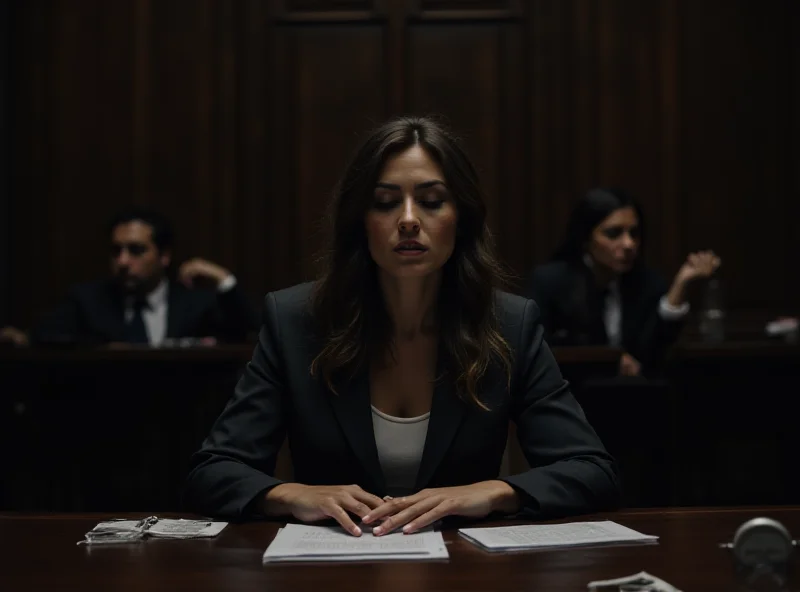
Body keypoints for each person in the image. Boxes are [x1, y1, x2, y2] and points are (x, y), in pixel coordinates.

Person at [185, 116, 620, 535]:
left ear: (461, 218)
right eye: (385, 202)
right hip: (330, 566)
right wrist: (289, 495)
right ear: (361, 222)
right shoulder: (295, 320)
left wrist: (494, 492)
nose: (409, 219)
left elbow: (591, 470)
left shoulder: (508, 324)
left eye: (431, 201)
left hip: (465, 571)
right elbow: (214, 470)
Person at [526, 188, 721, 376]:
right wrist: (608, 363)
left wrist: (681, 285)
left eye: (634, 233)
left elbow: (655, 355)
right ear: (586, 238)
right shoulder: (551, 282)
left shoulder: (648, 284)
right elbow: (540, 355)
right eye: (613, 233)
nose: (629, 244)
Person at [0, 208, 259, 347]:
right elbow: (45, 336)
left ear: (164, 256)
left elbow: (248, 333)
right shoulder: (88, 300)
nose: (123, 261)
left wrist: (224, 279)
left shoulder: (195, 303)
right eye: (116, 251)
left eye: (136, 250)